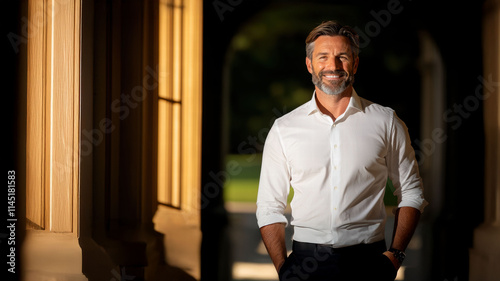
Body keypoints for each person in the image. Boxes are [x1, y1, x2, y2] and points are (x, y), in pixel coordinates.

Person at [256, 20, 428, 281]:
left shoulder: (386, 121)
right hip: (304, 265)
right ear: (309, 64)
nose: (333, 66)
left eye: (342, 57)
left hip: (369, 263)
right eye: (323, 57)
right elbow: (269, 206)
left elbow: (411, 192)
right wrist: (283, 269)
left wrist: (396, 256)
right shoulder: (284, 128)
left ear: (355, 64)